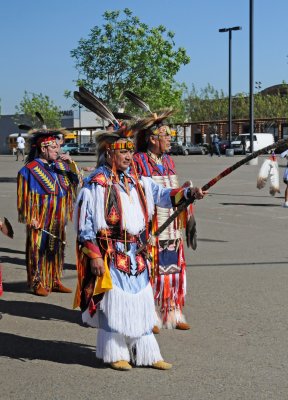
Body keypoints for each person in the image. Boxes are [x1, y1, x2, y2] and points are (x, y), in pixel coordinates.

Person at [73, 125, 206, 371]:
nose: (128, 157)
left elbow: (164, 195)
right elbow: (85, 226)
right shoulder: (96, 184)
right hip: (110, 253)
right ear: (109, 153)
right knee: (113, 304)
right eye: (123, 153)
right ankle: (115, 352)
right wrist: (94, 255)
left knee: (141, 302)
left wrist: (188, 193)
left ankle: (147, 353)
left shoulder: (138, 181)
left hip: (137, 253)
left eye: (131, 152)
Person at [133, 112, 198, 332]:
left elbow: (172, 193)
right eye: (166, 134)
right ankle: (149, 313)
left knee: (173, 268)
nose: (170, 139)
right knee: (151, 269)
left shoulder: (168, 161)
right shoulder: (138, 161)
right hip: (152, 226)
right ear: (152, 138)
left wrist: (187, 193)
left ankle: (172, 311)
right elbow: (139, 194)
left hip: (172, 226)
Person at [17, 129, 79, 296]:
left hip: (58, 215)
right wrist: (30, 218)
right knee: (37, 249)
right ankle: (36, 281)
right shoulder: (29, 170)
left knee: (56, 248)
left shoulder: (61, 166)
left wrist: (71, 164)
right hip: (40, 216)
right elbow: (23, 198)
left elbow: (76, 182)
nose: (58, 150)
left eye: (57, 147)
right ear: (43, 149)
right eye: (54, 148)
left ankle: (54, 279)